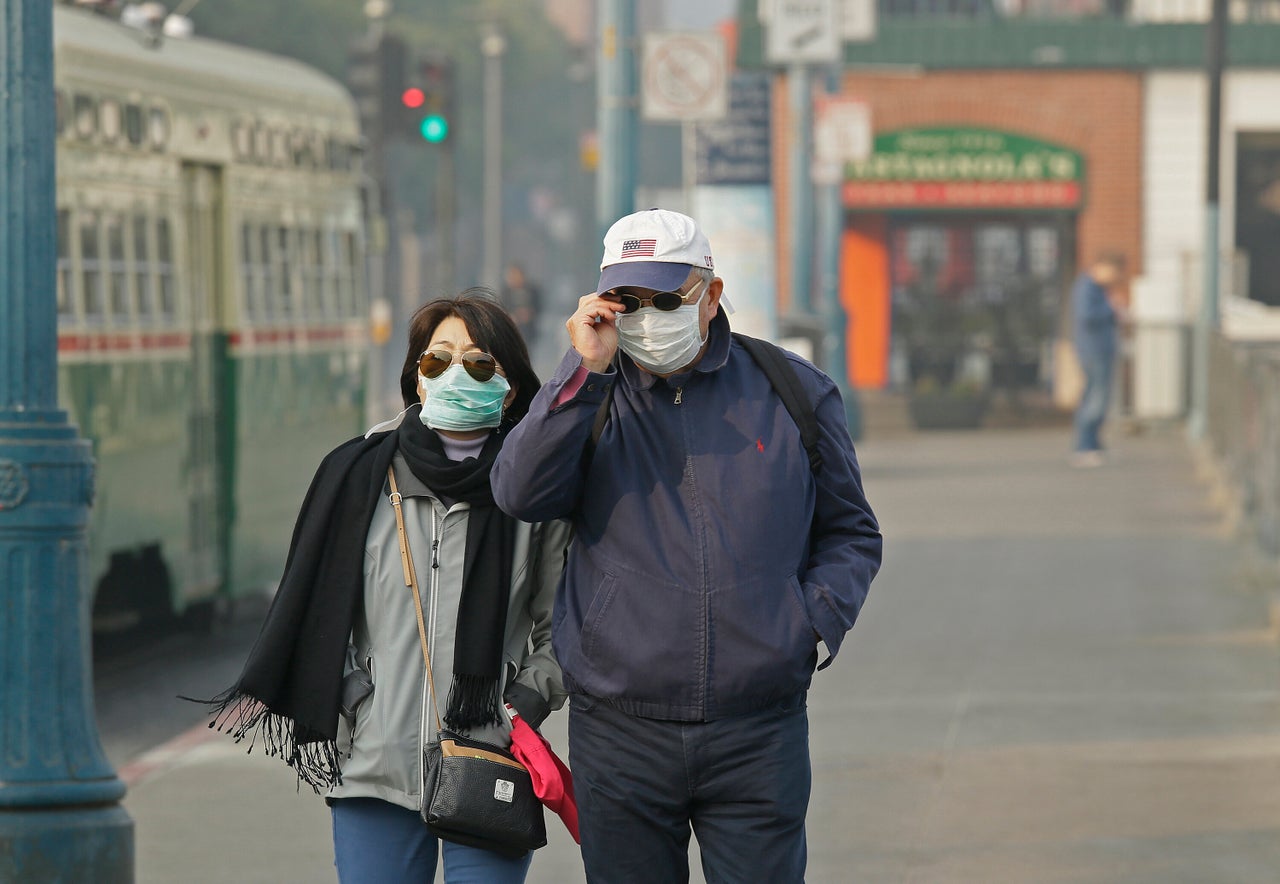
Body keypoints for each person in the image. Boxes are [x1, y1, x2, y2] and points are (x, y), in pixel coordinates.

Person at [491, 208, 883, 883]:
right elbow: (519, 492)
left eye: (666, 299)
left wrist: (808, 623)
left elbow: (851, 531)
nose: (646, 317)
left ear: (712, 295)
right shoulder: (590, 395)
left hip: (758, 727)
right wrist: (580, 374)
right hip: (619, 728)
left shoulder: (792, 391)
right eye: (627, 301)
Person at [198, 291, 570, 884]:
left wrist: (520, 705)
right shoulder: (356, 477)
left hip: (489, 759)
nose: (455, 375)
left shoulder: (536, 496)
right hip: (373, 766)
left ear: (511, 385)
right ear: (416, 381)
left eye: (478, 363)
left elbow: (564, 629)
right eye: (436, 361)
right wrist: (352, 698)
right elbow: (315, 607)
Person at [1071, 252, 1125, 466]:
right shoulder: (1088, 287)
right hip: (1094, 349)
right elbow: (1087, 315)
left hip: (1099, 348)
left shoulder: (1097, 289)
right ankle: (1085, 446)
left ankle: (1092, 444)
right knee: (1095, 398)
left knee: (1096, 397)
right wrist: (1112, 309)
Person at [501, 263, 543, 354]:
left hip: (528, 330)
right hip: (511, 330)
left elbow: (539, 307)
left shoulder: (532, 291)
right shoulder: (505, 292)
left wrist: (529, 313)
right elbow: (501, 309)